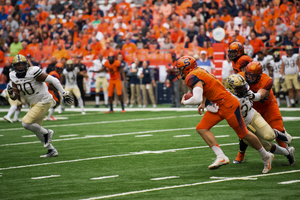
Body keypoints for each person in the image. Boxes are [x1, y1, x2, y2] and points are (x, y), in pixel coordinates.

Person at [176, 55, 274, 173]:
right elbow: (206, 87)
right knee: (202, 128)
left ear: (187, 68)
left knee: (244, 134)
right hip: (218, 105)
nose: (179, 72)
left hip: (228, 104)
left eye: (181, 69)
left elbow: (195, 98)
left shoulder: (191, 77)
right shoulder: (199, 71)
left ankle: (266, 156)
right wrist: (203, 103)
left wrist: (184, 102)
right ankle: (221, 157)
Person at [8, 54, 73, 157]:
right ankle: (51, 150)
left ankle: (47, 132)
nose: (20, 67)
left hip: (44, 100)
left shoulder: (33, 72)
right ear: (14, 66)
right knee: (36, 129)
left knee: (26, 123)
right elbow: (15, 97)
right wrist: (11, 93)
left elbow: (54, 80)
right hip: (34, 104)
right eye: (18, 65)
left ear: (26, 65)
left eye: (22, 64)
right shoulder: (13, 75)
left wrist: (64, 93)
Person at [225, 74, 295, 166]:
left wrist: (254, 96)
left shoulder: (246, 92)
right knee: (266, 146)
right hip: (242, 127)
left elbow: (257, 96)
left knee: (269, 136)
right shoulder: (227, 98)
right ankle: (288, 153)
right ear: (231, 89)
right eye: (239, 88)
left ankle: (277, 133)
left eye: (243, 87)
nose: (242, 90)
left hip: (253, 116)